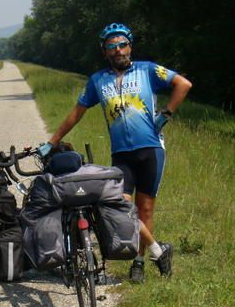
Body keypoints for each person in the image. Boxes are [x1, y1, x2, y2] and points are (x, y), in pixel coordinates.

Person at [39, 23, 192, 284]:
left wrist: (165, 114)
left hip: (151, 150)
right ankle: (159, 250)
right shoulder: (98, 80)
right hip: (121, 154)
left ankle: (139, 263)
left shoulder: (147, 70)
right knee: (122, 206)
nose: (118, 50)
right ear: (105, 51)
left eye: (122, 44)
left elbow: (183, 84)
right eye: (112, 46)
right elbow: (77, 112)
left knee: (145, 210)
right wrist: (52, 141)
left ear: (130, 46)